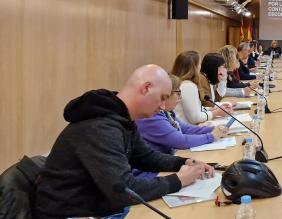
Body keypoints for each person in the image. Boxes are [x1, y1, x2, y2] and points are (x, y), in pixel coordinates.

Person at [33, 65, 214, 219]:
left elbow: (146, 157)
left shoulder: (121, 118)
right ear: (146, 88)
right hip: (71, 213)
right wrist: (179, 180)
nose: (163, 106)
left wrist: (184, 162)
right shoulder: (100, 127)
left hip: (98, 206)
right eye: (163, 97)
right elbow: (124, 190)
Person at [135, 75, 226, 179]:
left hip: (166, 164)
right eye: (178, 93)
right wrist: (211, 136)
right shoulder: (151, 117)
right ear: (167, 95)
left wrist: (213, 129)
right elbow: (180, 141)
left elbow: (186, 129)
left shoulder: (166, 112)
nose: (180, 97)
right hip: (151, 172)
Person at [171, 51, 230, 125]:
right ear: (194, 67)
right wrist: (216, 112)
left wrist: (211, 109)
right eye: (199, 64)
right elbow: (195, 118)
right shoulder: (187, 86)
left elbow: (196, 109)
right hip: (188, 131)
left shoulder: (183, 83)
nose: (200, 66)